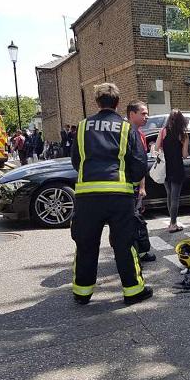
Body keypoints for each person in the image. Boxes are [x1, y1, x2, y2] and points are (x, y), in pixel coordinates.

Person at [70, 82, 152, 305]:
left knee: (86, 244)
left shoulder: (82, 126)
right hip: (119, 196)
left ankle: (82, 292)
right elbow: (139, 163)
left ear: (97, 102)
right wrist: (130, 181)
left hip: (87, 197)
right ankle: (133, 291)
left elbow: (77, 162)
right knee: (124, 244)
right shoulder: (127, 129)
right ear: (117, 103)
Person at [126, 100, 156, 262]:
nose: (147, 116)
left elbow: (141, 163)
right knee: (130, 221)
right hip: (124, 188)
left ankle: (141, 251)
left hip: (135, 188)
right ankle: (131, 253)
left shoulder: (141, 135)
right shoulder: (124, 133)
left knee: (137, 220)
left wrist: (142, 187)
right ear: (132, 114)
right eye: (143, 113)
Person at [156, 109, 189, 233]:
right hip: (177, 168)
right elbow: (185, 155)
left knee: (169, 195)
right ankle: (173, 224)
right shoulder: (183, 134)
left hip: (166, 168)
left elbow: (157, 148)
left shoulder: (163, 131)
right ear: (181, 120)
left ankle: (171, 222)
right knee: (175, 197)